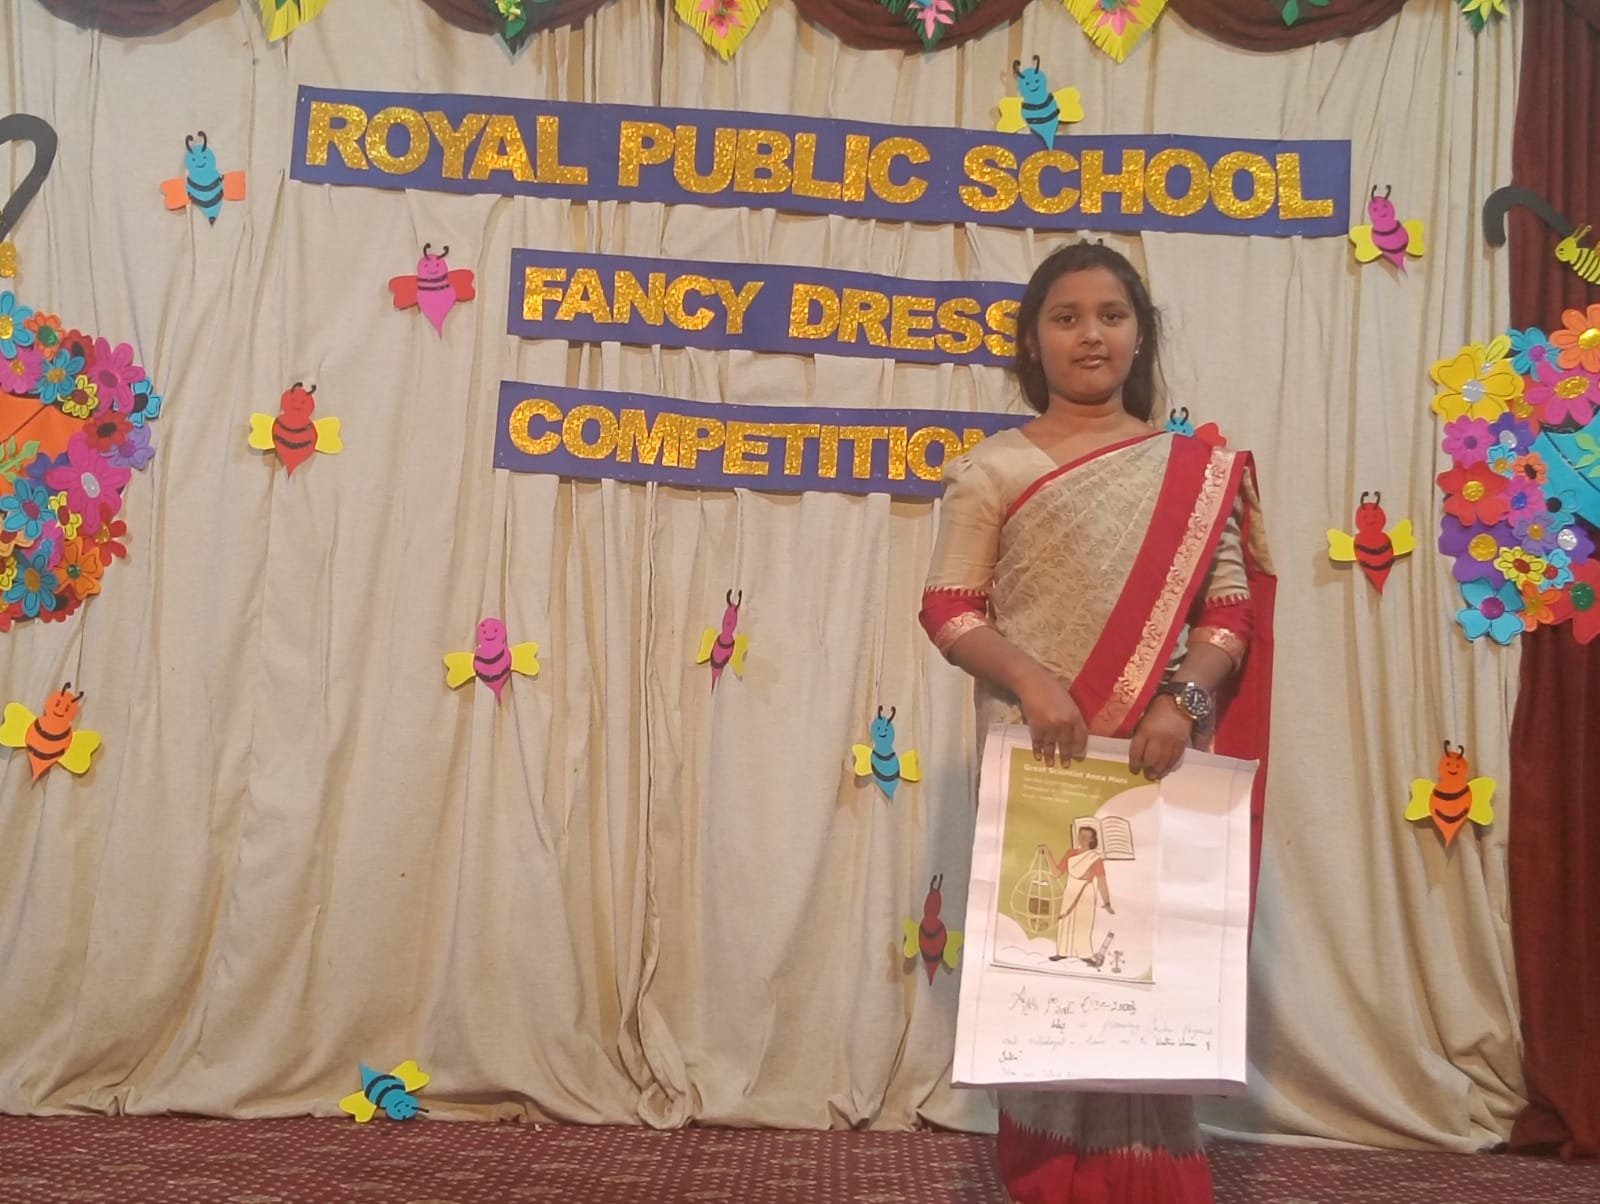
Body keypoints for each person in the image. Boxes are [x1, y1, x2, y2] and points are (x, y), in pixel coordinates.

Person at [918, 242, 1274, 1204]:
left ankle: (1153, 1179)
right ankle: (1049, 1179)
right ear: (1033, 341)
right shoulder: (993, 469)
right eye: (1066, 317)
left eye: (1111, 316)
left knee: (1144, 972)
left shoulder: (1193, 471)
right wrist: (1033, 682)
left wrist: (1183, 700)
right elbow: (949, 607)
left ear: (1139, 336)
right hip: (1037, 752)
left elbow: (1228, 610)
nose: (1090, 335)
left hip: (1157, 758)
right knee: (1050, 969)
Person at [1048, 828, 1112, 966]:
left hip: (1086, 893)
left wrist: (1106, 902)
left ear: (1092, 840)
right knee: (1066, 920)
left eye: (1086, 837)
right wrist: (1048, 853)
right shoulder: (1070, 853)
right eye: (1081, 836)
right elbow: (1057, 873)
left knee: (1083, 922)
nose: (1083, 839)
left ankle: (1084, 954)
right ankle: (1063, 952)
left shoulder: (1094, 857)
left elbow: (1101, 880)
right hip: (1071, 890)